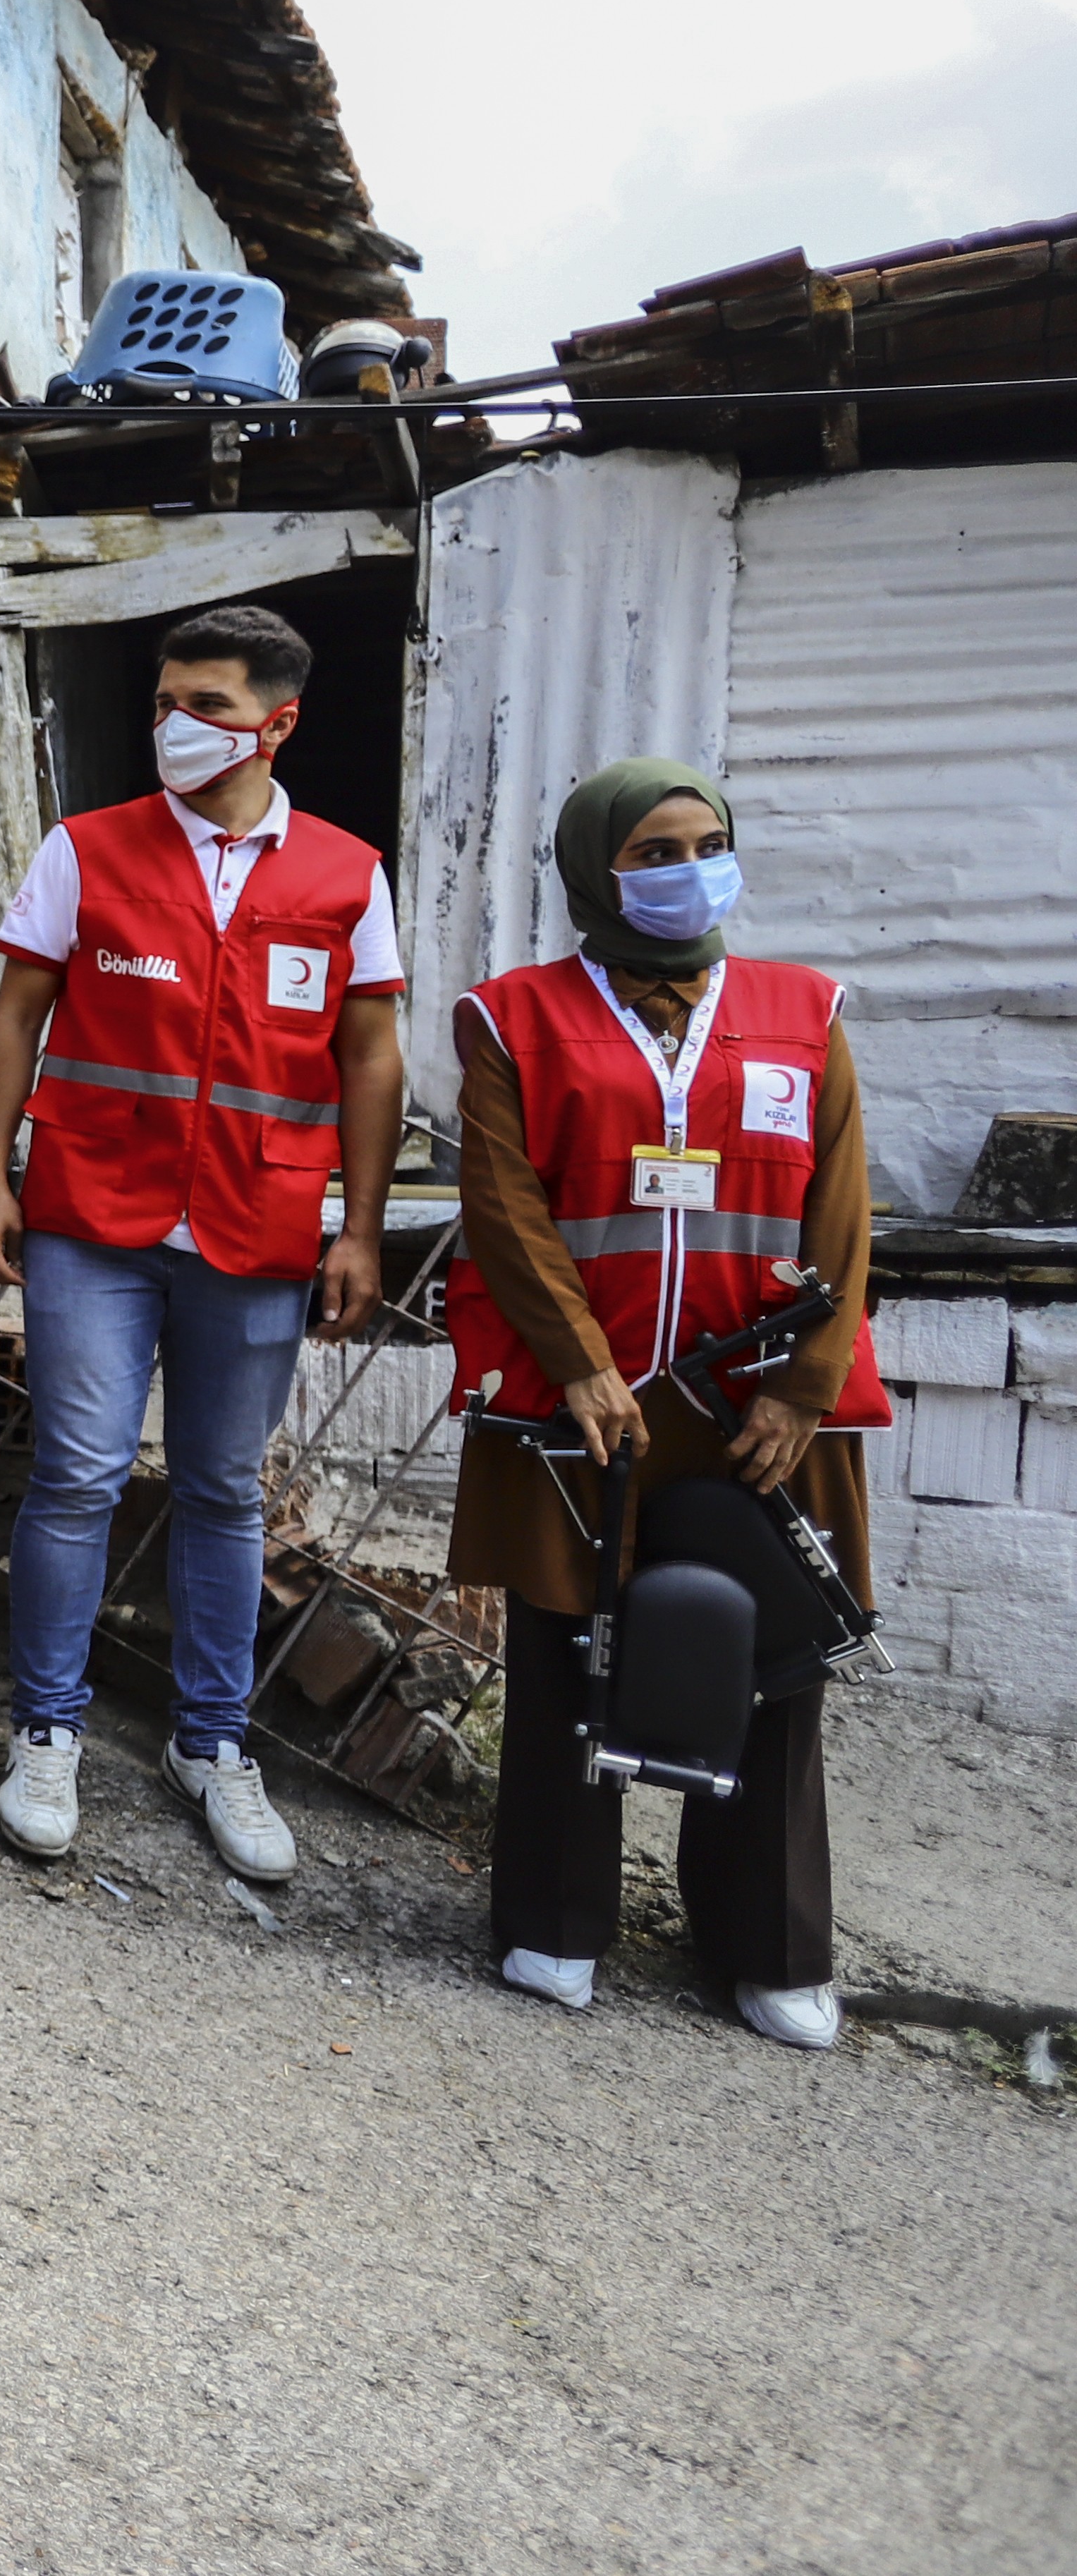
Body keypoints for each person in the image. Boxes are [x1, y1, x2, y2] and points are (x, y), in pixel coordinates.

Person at [445, 760, 887, 2048]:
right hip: (585, 1396)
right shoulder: (513, 1017)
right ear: (594, 870)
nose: (688, 865)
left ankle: (770, 1944)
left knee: (766, 1660)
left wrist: (807, 1388)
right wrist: (578, 1358)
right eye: (652, 849)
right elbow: (504, 1203)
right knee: (564, 1650)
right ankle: (554, 1918)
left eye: (708, 841)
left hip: (759, 1404)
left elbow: (845, 1214)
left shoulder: (805, 1013)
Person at [0, 604, 406, 1885]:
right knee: (78, 1474)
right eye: (165, 699)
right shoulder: (87, 850)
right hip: (92, 1217)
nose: (176, 725)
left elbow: (371, 1055)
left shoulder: (344, 874)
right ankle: (45, 1727)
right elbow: (16, 1020)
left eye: (206, 704)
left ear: (277, 721)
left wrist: (360, 1229)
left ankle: (213, 1742)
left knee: (222, 1490)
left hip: (258, 1224)